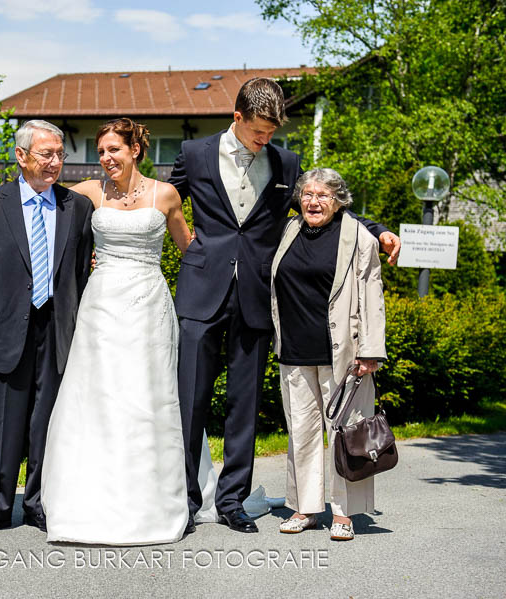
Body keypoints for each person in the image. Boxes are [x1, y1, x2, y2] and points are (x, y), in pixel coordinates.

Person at [168, 77, 400, 533]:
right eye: (258, 132)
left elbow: (327, 201)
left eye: (272, 133)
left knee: (244, 402)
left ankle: (232, 500)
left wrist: (377, 229)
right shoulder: (194, 154)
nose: (265, 140)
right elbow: (163, 201)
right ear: (237, 117)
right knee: (189, 399)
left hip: (257, 295)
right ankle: (183, 499)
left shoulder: (285, 162)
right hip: (200, 290)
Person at [41, 118, 194, 545]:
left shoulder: (165, 195)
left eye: (115, 150)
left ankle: (152, 501)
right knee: (99, 395)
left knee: (146, 396)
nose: (106, 158)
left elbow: (191, 250)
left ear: (135, 151)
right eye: (101, 151)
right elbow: (47, 220)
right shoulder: (88, 192)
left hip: (149, 306)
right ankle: (87, 498)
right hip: (101, 305)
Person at [0, 120, 95, 537]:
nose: (55, 163)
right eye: (46, 154)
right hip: (4, 327)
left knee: (46, 424)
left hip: (56, 330)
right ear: (21, 156)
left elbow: (79, 274)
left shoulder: (78, 208)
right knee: (0, 424)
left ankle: (39, 503)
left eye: (59, 155)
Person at [270, 168, 386, 541]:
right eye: (307, 194)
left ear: (338, 201)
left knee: (345, 434)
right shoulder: (289, 231)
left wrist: (370, 351)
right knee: (301, 433)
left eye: (322, 195)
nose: (313, 202)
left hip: (345, 352)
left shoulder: (358, 237)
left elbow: (372, 296)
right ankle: (304, 508)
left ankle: (344, 513)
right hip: (294, 348)